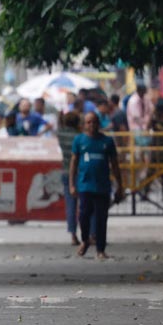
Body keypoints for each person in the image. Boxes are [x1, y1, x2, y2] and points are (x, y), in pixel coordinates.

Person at [69, 111, 124, 259]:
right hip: (85, 186)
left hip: (102, 187)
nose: (91, 125)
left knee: (101, 219)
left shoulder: (107, 142)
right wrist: (72, 185)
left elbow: (115, 165)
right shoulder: (79, 141)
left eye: (94, 122)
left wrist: (120, 186)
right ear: (84, 125)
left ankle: (100, 249)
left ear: (99, 123)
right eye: (88, 122)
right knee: (83, 216)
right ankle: (85, 240)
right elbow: (73, 163)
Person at [57, 111, 82, 246]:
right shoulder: (79, 137)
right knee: (84, 205)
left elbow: (59, 126)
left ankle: (73, 234)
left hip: (66, 172)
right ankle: (90, 233)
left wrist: (60, 118)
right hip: (80, 172)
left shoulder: (61, 135)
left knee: (71, 205)